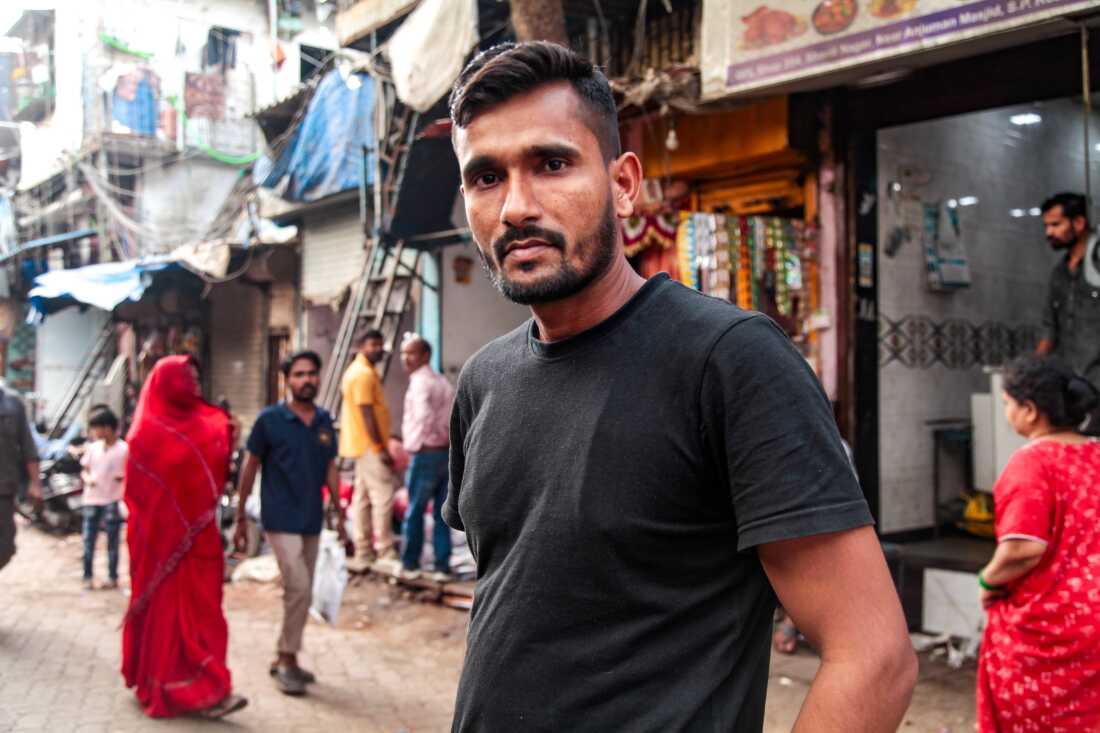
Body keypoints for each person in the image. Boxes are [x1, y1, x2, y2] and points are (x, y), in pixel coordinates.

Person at [443, 41, 917, 731]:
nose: (516, 206)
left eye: (552, 164)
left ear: (624, 184)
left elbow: (874, 658)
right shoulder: (483, 381)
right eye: (487, 177)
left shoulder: (729, 362)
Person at [976, 356, 1100, 731]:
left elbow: (1023, 549)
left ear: (1030, 410)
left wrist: (987, 581)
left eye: (1008, 404)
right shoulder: (1096, 453)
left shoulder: (1032, 463)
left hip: (1051, 626)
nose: (1007, 413)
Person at [121, 355, 247, 719]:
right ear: (166, 382)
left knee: (205, 614)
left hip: (200, 541)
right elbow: (139, 493)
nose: (193, 382)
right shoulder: (144, 434)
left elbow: (215, 466)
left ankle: (207, 686)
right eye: (185, 376)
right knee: (166, 617)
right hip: (160, 546)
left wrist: (229, 436)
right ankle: (185, 688)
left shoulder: (207, 424)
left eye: (195, 375)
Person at [234, 350, 345, 696]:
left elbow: (330, 467)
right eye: (299, 374)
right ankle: (285, 658)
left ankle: (288, 657)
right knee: (298, 587)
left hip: (311, 518)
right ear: (287, 380)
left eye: (311, 373)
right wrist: (240, 517)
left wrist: (339, 513)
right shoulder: (269, 420)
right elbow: (250, 466)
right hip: (279, 518)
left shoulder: (324, 421)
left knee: (303, 591)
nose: (306, 380)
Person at [339, 328, 400, 574]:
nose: (378, 349)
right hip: (368, 446)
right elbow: (366, 413)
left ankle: (364, 551)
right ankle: (384, 550)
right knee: (383, 496)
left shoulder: (361, 371)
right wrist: (380, 447)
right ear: (361, 346)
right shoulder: (362, 374)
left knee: (362, 500)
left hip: (361, 445)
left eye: (380, 344)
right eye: (373, 344)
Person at [398, 334, 455, 581]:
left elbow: (423, 416)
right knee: (442, 514)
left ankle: (410, 564)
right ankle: (442, 567)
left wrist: (414, 445)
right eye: (403, 353)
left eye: (411, 353)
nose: (405, 359)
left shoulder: (420, 382)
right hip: (444, 452)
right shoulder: (442, 381)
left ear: (425, 356)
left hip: (424, 453)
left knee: (415, 510)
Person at [1037, 192, 1100, 391]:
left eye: (1056, 224)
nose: (1049, 232)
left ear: (1079, 223)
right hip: (1071, 385)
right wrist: (1033, 370)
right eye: (1046, 226)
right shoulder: (1059, 274)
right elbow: (1049, 328)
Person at [79, 405, 127, 590]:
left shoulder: (124, 449)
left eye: (96, 428)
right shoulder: (93, 448)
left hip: (113, 499)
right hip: (92, 499)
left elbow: (130, 474)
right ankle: (87, 576)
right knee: (88, 540)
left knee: (113, 541)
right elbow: (85, 470)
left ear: (107, 428)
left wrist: (122, 478)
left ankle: (112, 577)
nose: (94, 432)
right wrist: (88, 479)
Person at [0, 380, 40, 574]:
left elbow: (28, 447)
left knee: (5, 547)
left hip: (4, 490)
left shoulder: (12, 405)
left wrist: (36, 483)